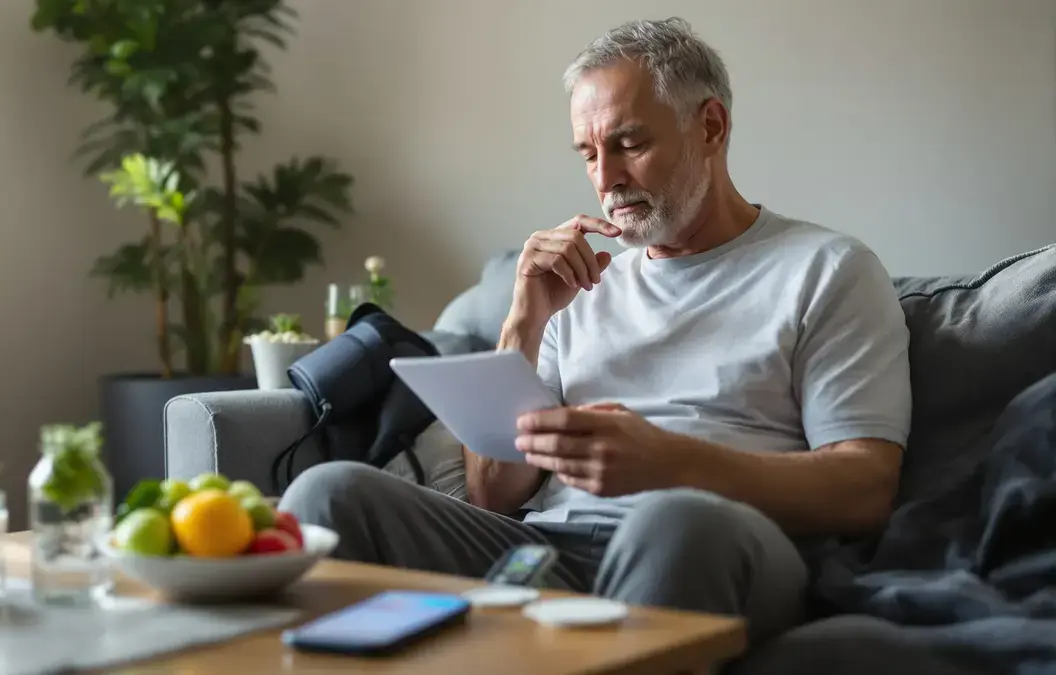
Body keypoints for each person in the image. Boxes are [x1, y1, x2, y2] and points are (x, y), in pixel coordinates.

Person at [280, 17, 910, 644]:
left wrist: (673, 463)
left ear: (710, 126)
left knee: (674, 521)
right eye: (589, 153)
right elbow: (493, 493)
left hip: (714, 540)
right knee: (330, 493)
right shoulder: (577, 290)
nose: (606, 179)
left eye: (629, 144)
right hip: (547, 548)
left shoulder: (827, 269)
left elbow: (865, 488)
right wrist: (524, 320)